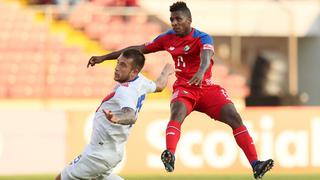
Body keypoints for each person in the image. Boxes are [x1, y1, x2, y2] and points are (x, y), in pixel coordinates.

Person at [87, 1, 274, 179]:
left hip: (206, 88)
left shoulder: (202, 37)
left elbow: (206, 55)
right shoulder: (167, 38)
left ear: (189, 21)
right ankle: (169, 154)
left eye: (178, 19)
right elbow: (138, 49)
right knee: (177, 112)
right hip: (185, 88)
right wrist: (104, 57)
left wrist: (201, 72)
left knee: (234, 117)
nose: (174, 23)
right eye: (172, 20)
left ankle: (256, 164)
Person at [56, 49, 176, 180]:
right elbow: (159, 86)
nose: (117, 68)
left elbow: (131, 115)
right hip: (113, 151)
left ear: (134, 71)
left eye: (123, 65)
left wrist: (117, 118)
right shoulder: (141, 81)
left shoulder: (126, 91)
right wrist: (165, 72)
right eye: (118, 63)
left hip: (99, 154)